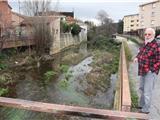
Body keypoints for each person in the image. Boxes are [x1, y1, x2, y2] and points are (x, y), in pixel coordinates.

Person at [134, 28, 160, 114]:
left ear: (153, 35)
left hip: (150, 72)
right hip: (142, 69)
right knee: (141, 88)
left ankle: (146, 110)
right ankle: (141, 105)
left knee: (147, 92)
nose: (147, 36)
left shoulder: (156, 45)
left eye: (149, 34)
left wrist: (151, 70)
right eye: (146, 34)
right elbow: (140, 52)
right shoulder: (145, 43)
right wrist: (136, 57)